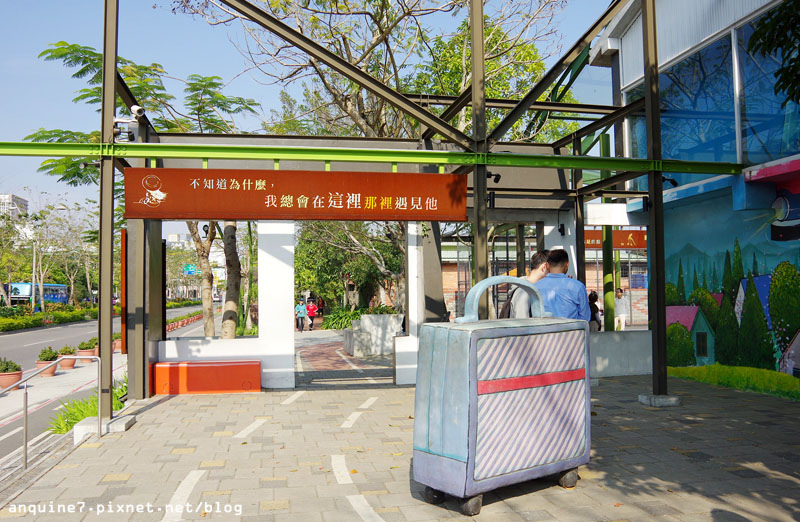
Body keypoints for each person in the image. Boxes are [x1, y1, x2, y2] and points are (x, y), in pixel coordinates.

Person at [533, 249, 591, 321]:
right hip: (571, 331)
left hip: (545, 331)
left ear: (547, 265)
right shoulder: (578, 287)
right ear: (567, 264)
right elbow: (585, 317)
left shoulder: (536, 287)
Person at [509, 250, 550, 318]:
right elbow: (522, 324)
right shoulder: (524, 291)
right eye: (554, 268)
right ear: (544, 267)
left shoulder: (528, 288)